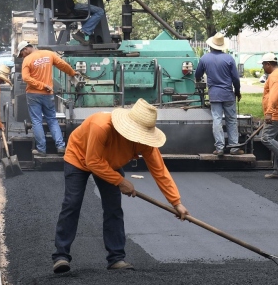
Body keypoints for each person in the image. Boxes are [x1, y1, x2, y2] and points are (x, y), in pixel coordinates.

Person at [51, 99, 190, 274]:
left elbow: (160, 171)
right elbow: (93, 161)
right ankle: (61, 255)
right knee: (72, 203)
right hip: (79, 156)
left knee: (113, 208)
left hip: (110, 163)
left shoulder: (146, 142)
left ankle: (116, 258)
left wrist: (176, 202)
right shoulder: (101, 126)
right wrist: (120, 181)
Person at [17, 41, 79, 156]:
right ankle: (61, 147)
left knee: (37, 121)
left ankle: (41, 150)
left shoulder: (28, 59)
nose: (22, 56)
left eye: (21, 53)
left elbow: (25, 77)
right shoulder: (49, 54)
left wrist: (41, 85)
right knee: (52, 120)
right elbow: (62, 65)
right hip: (48, 94)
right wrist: (72, 73)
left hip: (33, 94)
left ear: (25, 49)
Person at [195, 32, 243, 156]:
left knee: (217, 120)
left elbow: (197, 74)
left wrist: (199, 79)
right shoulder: (229, 59)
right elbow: (235, 79)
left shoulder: (204, 58)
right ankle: (234, 148)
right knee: (231, 120)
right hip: (228, 94)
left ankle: (220, 148)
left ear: (211, 45)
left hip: (214, 94)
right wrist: (237, 91)